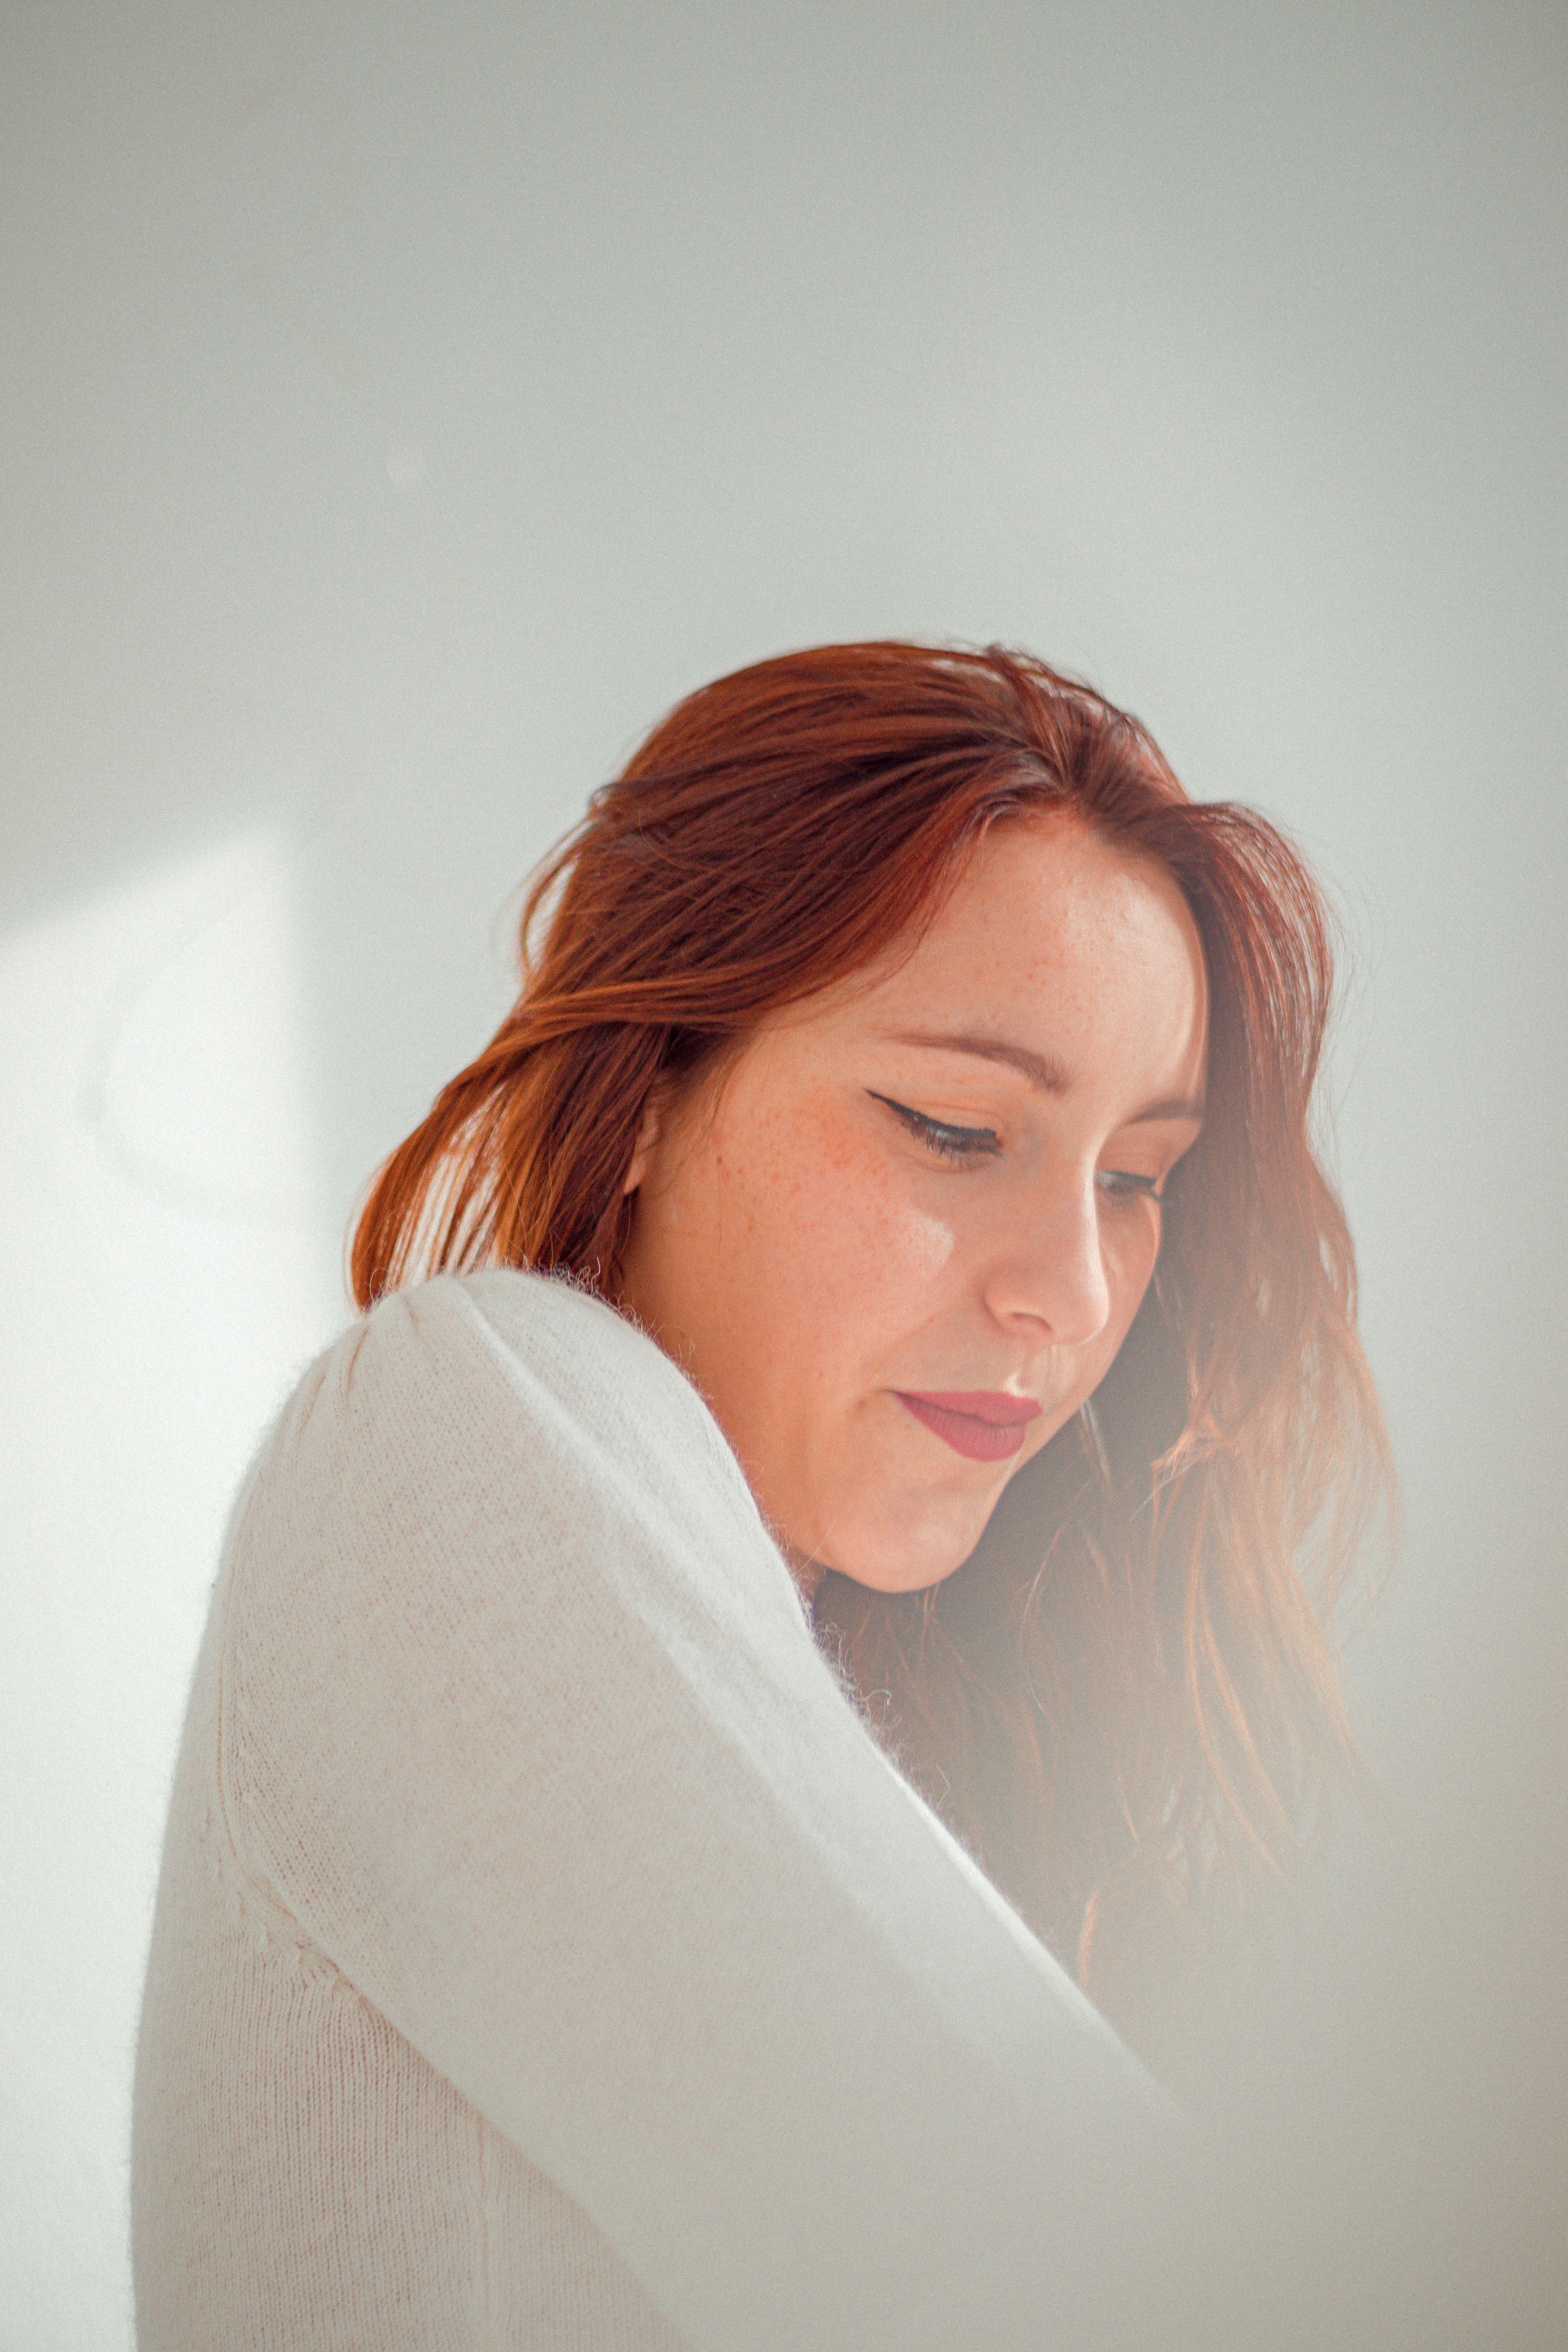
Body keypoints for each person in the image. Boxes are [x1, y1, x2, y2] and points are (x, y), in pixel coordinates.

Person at [131, 641, 1390, 2349]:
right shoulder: (456, 1406)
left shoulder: (891, 1702)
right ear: (647, 1091)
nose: (1076, 1291)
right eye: (956, 1129)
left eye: (1136, 1178)